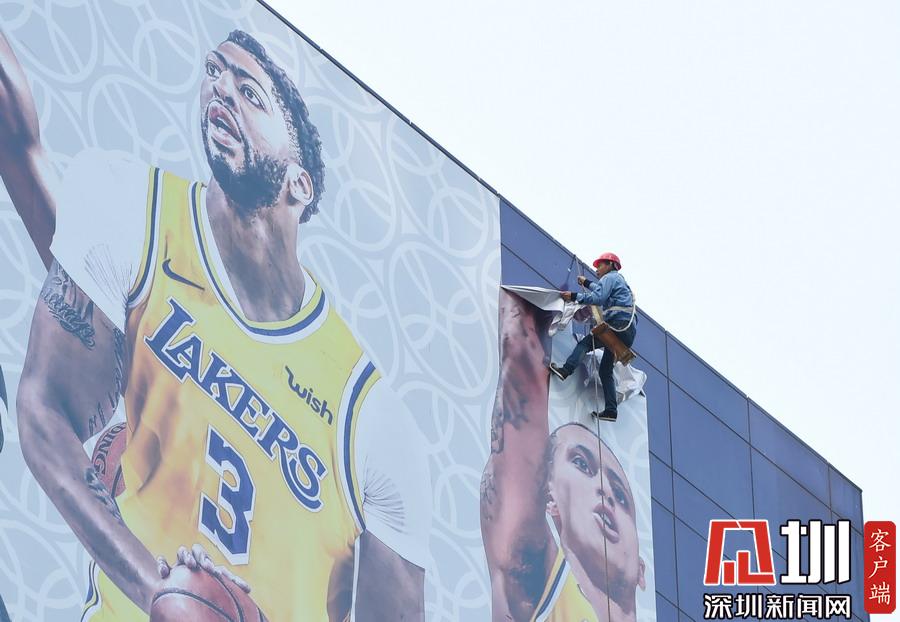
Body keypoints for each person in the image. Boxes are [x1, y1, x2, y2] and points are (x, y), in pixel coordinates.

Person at [0, 29, 431, 621]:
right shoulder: (133, 209)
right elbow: (44, 409)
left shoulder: (374, 421)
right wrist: (158, 591)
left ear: (299, 185)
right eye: (214, 70)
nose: (222, 87)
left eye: (250, 92)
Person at [481, 291, 646, 622]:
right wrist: (543, 314)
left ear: (641, 569)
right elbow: (520, 432)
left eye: (621, 496)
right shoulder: (532, 578)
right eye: (582, 464)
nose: (605, 491)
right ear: (548, 497)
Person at [550, 252, 637, 422]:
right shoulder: (618, 281)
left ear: (611, 265)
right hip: (626, 332)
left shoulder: (610, 277)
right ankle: (611, 411)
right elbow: (600, 289)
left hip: (617, 324)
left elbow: (598, 297)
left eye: (600, 265)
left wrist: (574, 296)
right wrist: (586, 283)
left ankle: (565, 370)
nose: (597, 269)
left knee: (585, 343)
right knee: (605, 370)